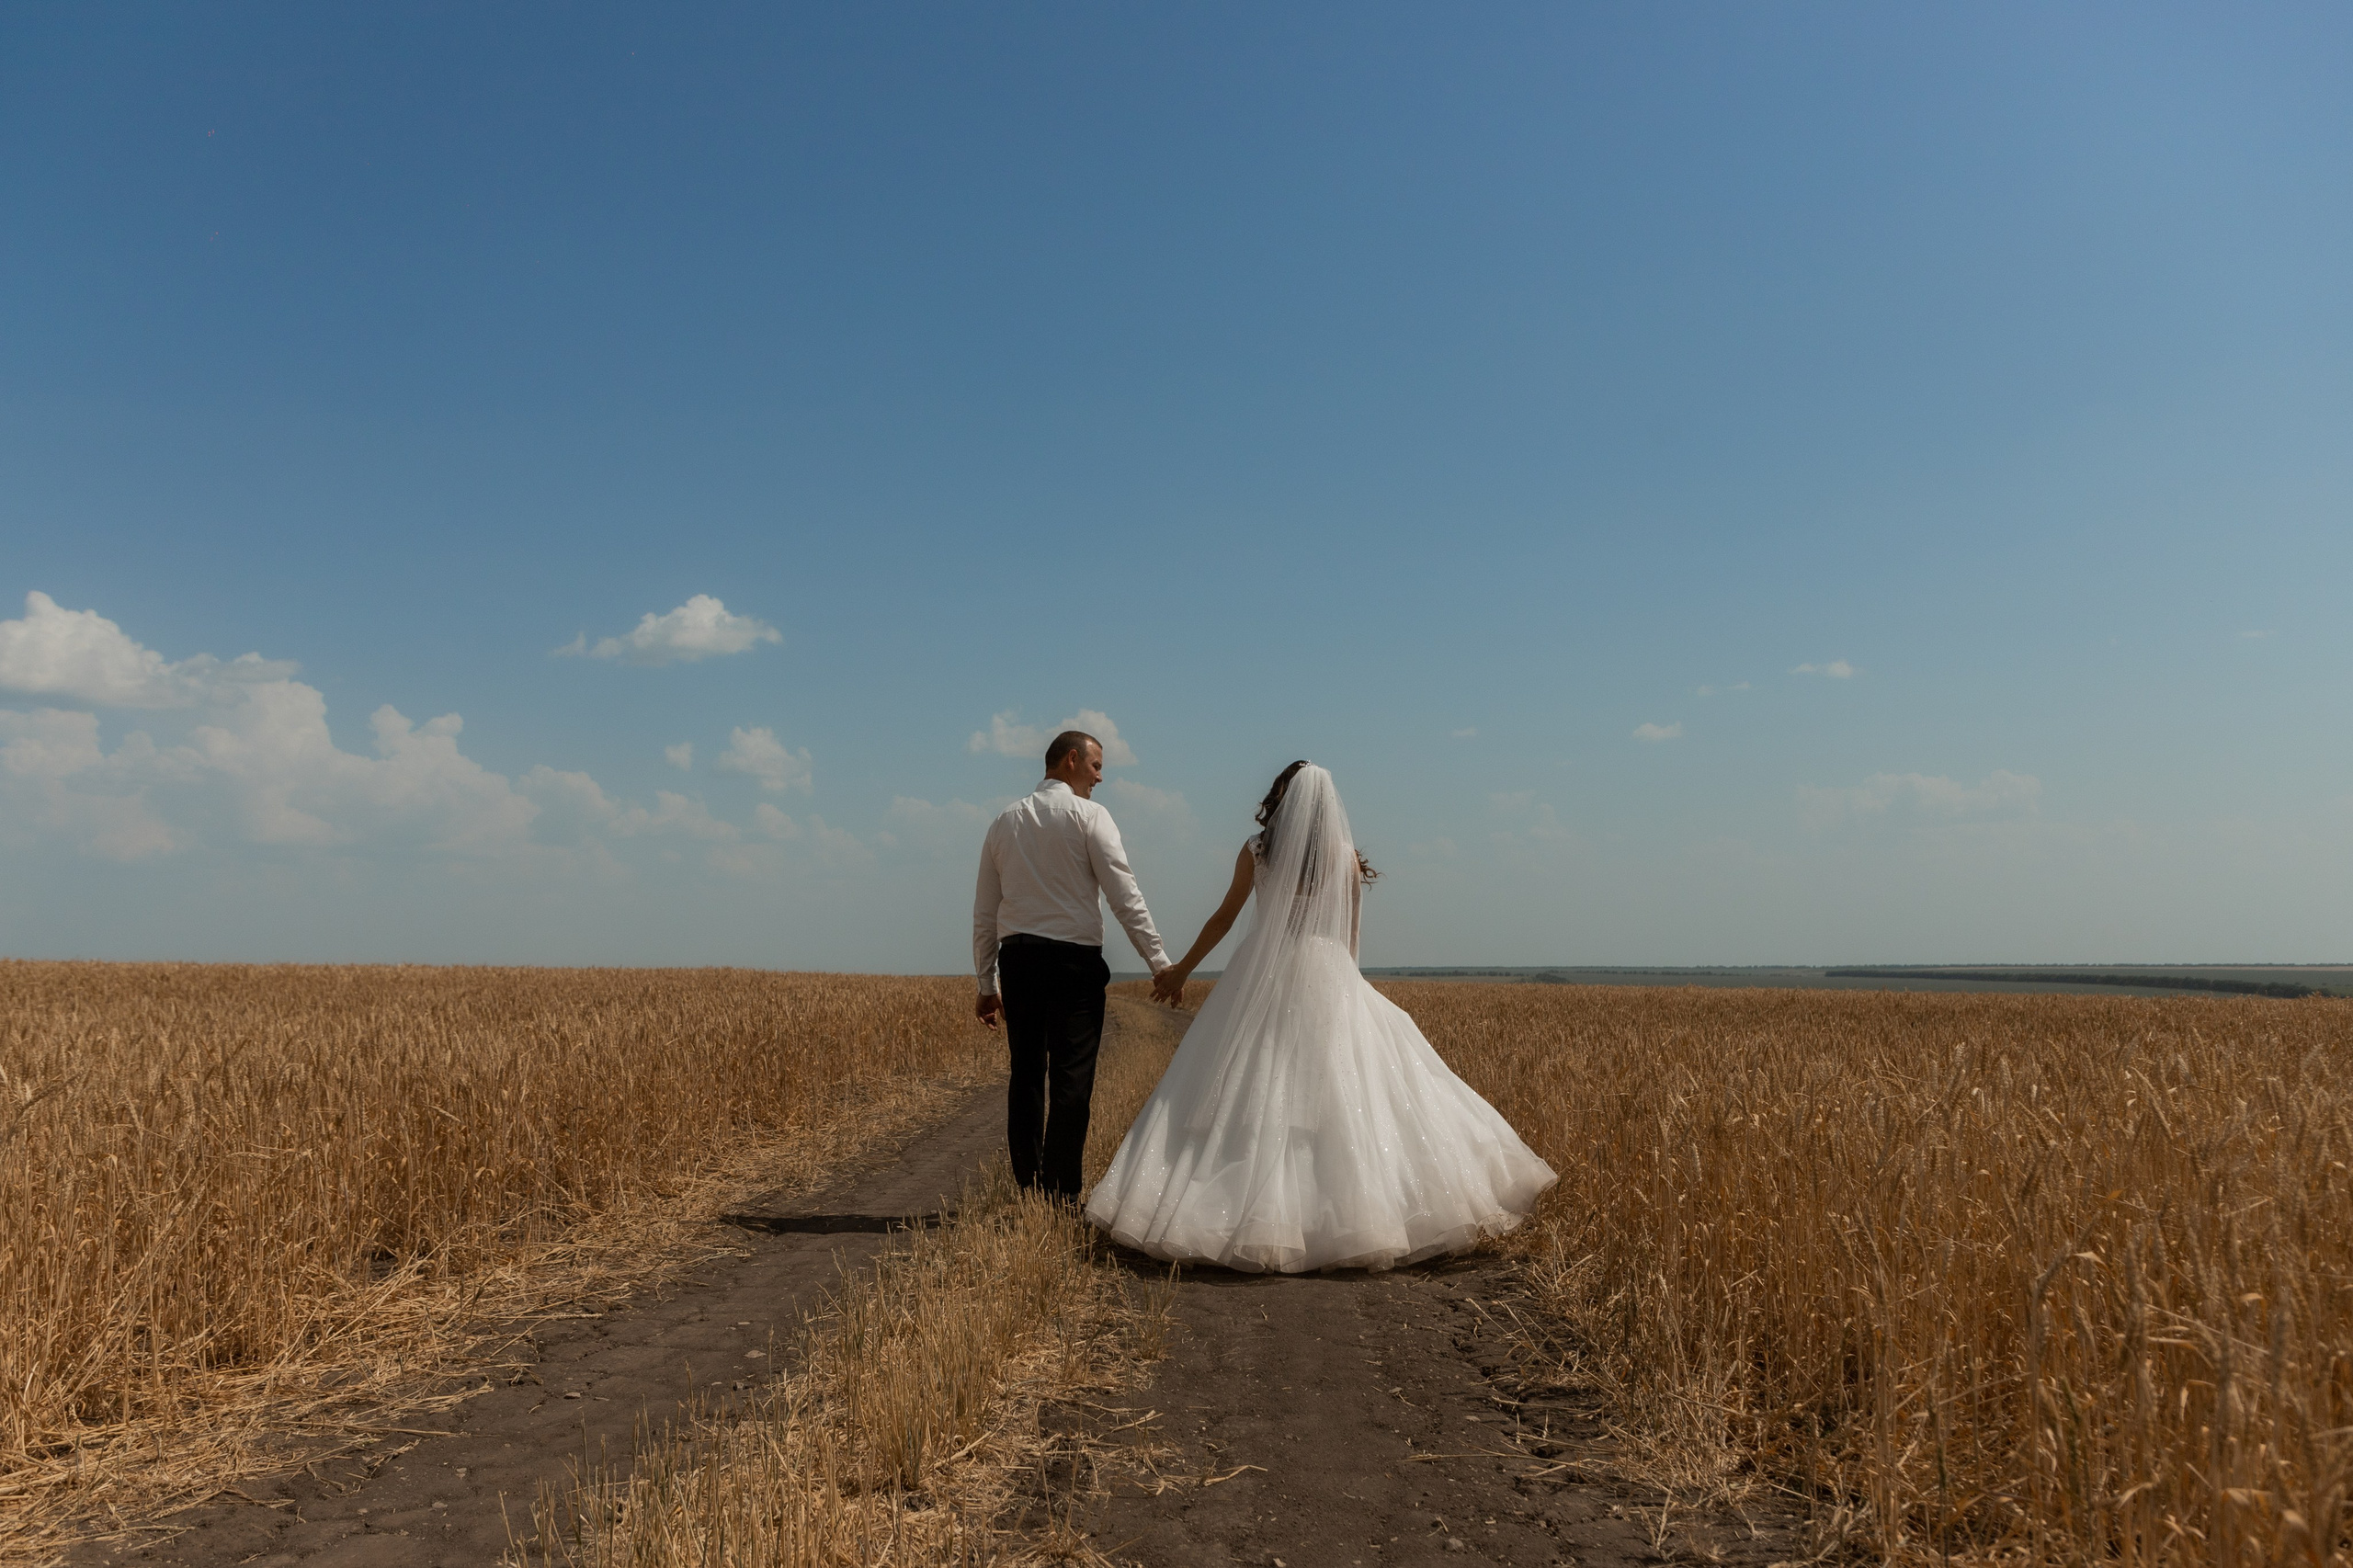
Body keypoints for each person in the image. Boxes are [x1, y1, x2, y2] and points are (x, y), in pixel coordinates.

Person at [1088, 761, 1555, 1271]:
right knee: (1342, 1085)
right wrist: (1345, 987)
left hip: (1264, 971)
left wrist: (1180, 972)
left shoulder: (1258, 850)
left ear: (1281, 800)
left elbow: (1224, 918)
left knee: (1253, 1079)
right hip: (1329, 970)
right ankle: (1353, 1216)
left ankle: (1249, 1216)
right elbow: (1350, 939)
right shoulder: (1345, 858)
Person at [973, 729, 1171, 1199]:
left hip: (1019, 960)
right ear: (1070, 760)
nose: (1100, 777)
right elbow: (1125, 894)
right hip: (1074, 963)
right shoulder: (1090, 816)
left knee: (1025, 1072)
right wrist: (1158, 960)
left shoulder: (1004, 821)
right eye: (1096, 766)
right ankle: (1060, 1193)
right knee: (1072, 1076)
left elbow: (985, 909)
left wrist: (987, 980)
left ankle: (1028, 1185)